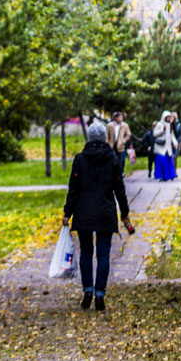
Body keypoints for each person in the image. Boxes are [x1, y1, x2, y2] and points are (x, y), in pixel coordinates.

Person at [63, 120, 131, 311]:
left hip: (84, 212)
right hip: (105, 212)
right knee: (103, 254)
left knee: (86, 252)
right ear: (104, 138)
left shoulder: (80, 159)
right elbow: (120, 190)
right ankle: (100, 293)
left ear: (89, 138)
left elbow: (73, 189)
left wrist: (67, 212)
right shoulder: (112, 159)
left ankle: (87, 291)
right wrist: (125, 213)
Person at [152, 111, 179, 181]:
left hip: (168, 147)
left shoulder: (169, 125)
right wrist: (162, 130)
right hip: (161, 147)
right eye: (168, 117)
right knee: (161, 162)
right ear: (164, 117)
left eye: (170, 117)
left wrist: (175, 143)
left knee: (168, 162)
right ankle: (160, 176)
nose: (169, 118)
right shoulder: (159, 124)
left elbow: (171, 135)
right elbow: (154, 134)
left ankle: (167, 176)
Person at [106, 111, 133, 177]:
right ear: (116, 118)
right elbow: (107, 136)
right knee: (113, 159)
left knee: (120, 161)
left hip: (121, 145)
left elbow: (128, 134)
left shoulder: (125, 125)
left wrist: (123, 141)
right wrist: (107, 144)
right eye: (120, 117)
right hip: (112, 145)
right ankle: (113, 174)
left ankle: (120, 174)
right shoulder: (109, 125)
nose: (122, 118)